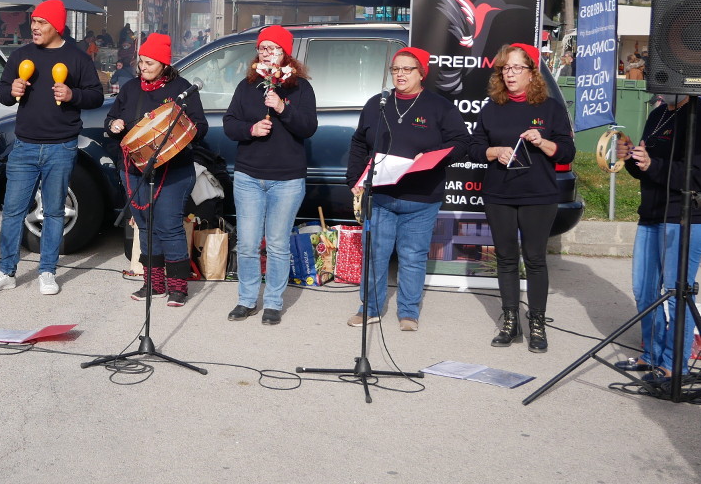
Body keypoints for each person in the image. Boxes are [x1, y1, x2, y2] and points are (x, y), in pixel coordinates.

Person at [0, 0, 104, 295]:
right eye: (33, 22)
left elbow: (96, 96)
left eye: (41, 23)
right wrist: (10, 91)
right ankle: (5, 271)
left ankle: (47, 271)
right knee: (12, 211)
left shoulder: (78, 59)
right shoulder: (21, 55)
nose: (34, 27)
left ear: (57, 26)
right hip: (23, 146)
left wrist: (73, 94)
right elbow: (2, 93)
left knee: (54, 212)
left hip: (61, 147)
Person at [345, 47, 469, 331]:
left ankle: (408, 313)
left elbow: (461, 143)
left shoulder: (439, 107)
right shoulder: (378, 103)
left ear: (421, 73)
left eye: (407, 69)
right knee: (376, 254)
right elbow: (359, 143)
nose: (400, 74)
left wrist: (431, 156)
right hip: (382, 196)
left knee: (412, 256)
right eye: (395, 69)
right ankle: (370, 308)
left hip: (422, 198)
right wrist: (354, 178)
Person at [469, 43, 575, 352]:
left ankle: (537, 325)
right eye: (505, 68)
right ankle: (511, 322)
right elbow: (474, 148)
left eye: (517, 68)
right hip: (499, 193)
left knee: (535, 259)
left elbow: (567, 151)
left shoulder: (550, 108)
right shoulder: (492, 107)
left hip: (538, 194)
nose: (510, 74)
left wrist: (543, 142)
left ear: (532, 73)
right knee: (505, 258)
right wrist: (494, 151)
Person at [614, 96, 701, 381]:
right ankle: (651, 354)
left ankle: (674, 365)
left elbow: (698, 175)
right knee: (644, 289)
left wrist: (653, 165)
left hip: (689, 216)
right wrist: (632, 159)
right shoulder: (658, 114)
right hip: (653, 214)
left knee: (676, 293)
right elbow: (649, 169)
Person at [223, 26, 317, 325]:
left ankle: (273, 302)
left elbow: (308, 127)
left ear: (285, 53)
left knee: (277, 244)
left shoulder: (300, 88)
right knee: (248, 243)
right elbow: (229, 123)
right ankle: (247, 299)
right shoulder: (246, 86)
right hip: (249, 176)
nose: (265, 52)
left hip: (287, 179)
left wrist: (281, 107)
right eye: (262, 48)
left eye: (272, 47)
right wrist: (250, 130)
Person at [104, 34, 207, 306]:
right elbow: (112, 118)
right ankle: (153, 283)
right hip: (136, 169)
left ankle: (177, 287)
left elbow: (200, 128)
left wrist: (181, 131)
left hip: (173, 169)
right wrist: (114, 125)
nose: (143, 68)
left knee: (169, 225)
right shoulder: (130, 89)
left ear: (164, 63)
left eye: (149, 62)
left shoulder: (182, 89)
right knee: (146, 226)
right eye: (140, 62)